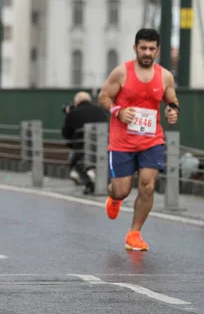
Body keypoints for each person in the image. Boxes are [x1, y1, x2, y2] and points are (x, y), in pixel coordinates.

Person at [98, 28, 179, 251]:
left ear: (157, 51)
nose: (147, 52)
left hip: (151, 140)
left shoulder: (165, 76)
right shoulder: (121, 73)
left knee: (148, 184)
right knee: (122, 190)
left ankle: (134, 233)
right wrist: (119, 112)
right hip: (122, 141)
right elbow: (103, 96)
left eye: (151, 49)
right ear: (135, 48)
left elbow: (171, 100)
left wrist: (172, 111)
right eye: (143, 48)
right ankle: (114, 198)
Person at [61, 91, 108, 194]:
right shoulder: (100, 111)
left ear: (76, 102)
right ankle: (90, 180)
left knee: (75, 161)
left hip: (80, 148)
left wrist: (68, 115)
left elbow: (66, 133)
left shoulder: (73, 113)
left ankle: (78, 174)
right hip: (101, 146)